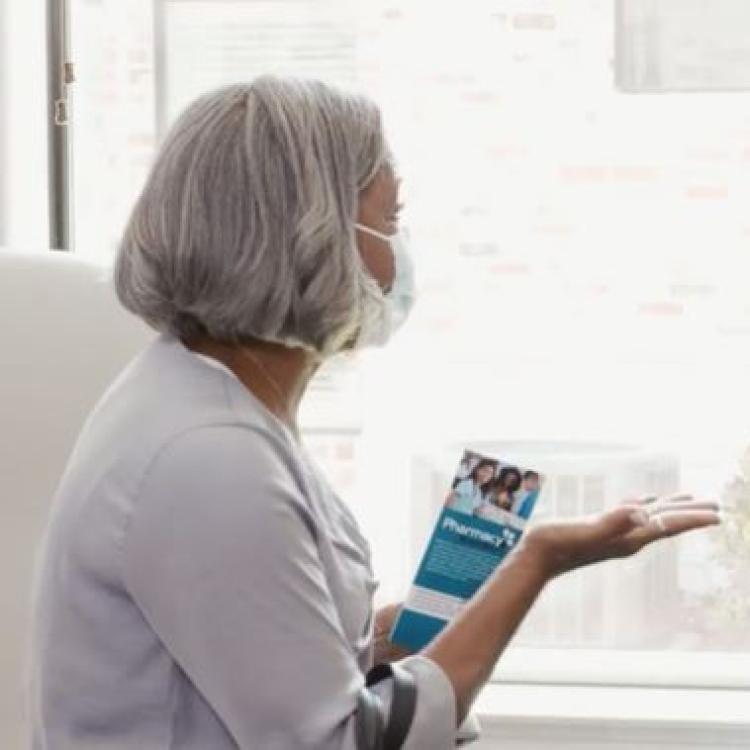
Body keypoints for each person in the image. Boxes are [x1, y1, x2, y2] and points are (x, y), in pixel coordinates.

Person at [29, 76, 721, 749]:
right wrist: (538, 560)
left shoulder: (203, 397)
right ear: (308, 236)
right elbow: (344, 740)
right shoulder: (208, 460)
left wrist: (422, 620)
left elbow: (291, 655)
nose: (399, 261)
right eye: (389, 223)